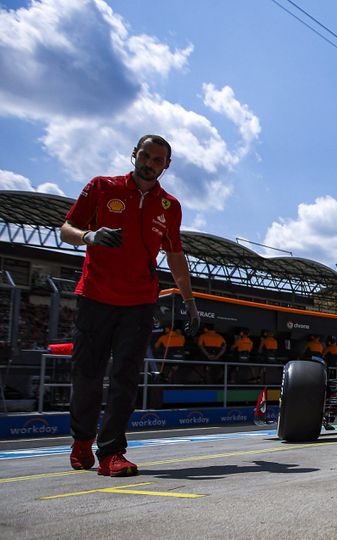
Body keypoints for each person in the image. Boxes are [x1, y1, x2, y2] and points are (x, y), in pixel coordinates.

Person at [60, 134, 200, 477]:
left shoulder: (170, 206)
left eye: (157, 160)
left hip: (139, 302)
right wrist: (88, 237)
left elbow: (176, 255)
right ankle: (82, 440)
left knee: (125, 379)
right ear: (134, 155)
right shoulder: (101, 187)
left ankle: (112, 453)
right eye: (145, 156)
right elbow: (66, 229)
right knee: (87, 374)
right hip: (95, 296)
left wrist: (190, 301)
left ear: (166, 166)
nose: (149, 164)